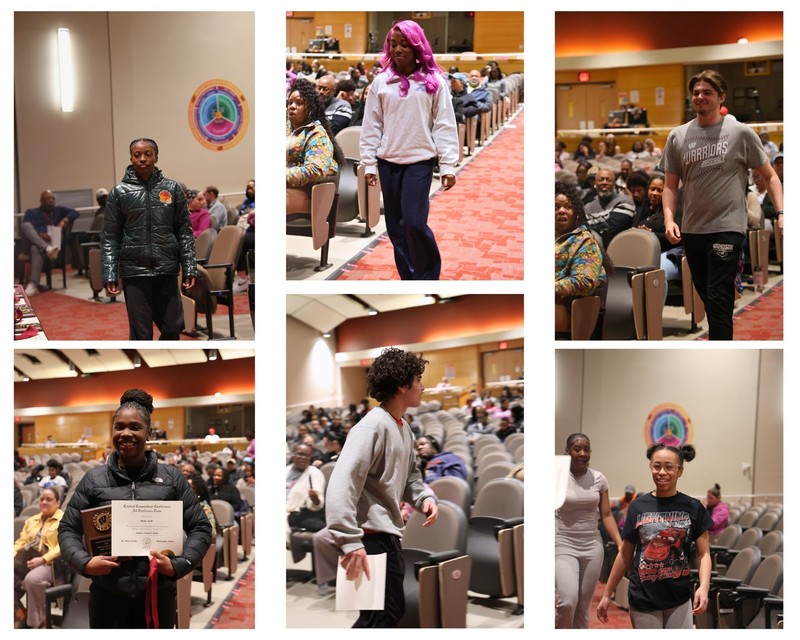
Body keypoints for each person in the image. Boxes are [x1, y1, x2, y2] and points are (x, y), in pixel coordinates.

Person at [57, 389, 212, 628]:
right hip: (107, 598)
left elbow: (201, 527)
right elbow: (67, 528)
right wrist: (85, 563)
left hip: (156, 596)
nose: (125, 433)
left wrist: (178, 565)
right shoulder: (94, 479)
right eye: (119, 427)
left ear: (148, 433)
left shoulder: (171, 478)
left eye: (135, 427)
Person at [663, 70, 783, 340]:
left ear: (721, 97)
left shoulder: (740, 133)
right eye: (696, 92)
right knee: (711, 297)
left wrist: (783, 213)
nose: (700, 97)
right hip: (693, 229)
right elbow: (670, 186)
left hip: (727, 227)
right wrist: (670, 219)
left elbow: (771, 177)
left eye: (707, 92)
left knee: (717, 299)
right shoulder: (678, 136)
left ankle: (720, 352)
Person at [326, 347, 438, 627]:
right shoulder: (370, 428)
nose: (422, 386)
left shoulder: (404, 427)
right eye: (418, 379)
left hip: (387, 535)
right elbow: (342, 484)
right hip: (369, 538)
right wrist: (350, 542)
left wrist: (422, 496)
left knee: (378, 615)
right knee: (383, 615)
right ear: (402, 385)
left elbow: (411, 476)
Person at [360, 20, 459, 280]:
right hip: (388, 162)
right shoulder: (381, 82)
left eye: (405, 44)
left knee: (414, 222)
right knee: (395, 228)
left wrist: (448, 164)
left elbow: (445, 124)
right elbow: (371, 126)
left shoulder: (434, 81)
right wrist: (369, 163)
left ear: (417, 47)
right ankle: (408, 277)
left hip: (420, 161)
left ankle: (428, 275)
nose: (398, 49)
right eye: (393, 44)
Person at [597, 444, 713, 629]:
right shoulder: (637, 506)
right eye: (657, 466)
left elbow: (704, 554)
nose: (662, 472)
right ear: (650, 467)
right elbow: (625, 555)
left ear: (680, 471)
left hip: (679, 598)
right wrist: (606, 593)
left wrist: (704, 587)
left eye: (669, 467)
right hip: (643, 598)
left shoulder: (694, 507)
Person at [101, 138, 197, 340]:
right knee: (142, 334)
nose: (142, 159)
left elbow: (184, 232)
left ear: (156, 157)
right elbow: (110, 237)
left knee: (173, 327)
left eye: (148, 154)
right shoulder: (119, 193)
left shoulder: (172, 189)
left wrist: (189, 267)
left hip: (166, 268)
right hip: (134, 271)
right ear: (131, 158)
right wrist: (110, 273)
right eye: (137, 155)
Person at [555, 433, 623, 628]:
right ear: (568, 452)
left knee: (583, 606)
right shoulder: (557, 478)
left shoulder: (599, 479)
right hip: (564, 542)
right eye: (577, 449)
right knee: (567, 602)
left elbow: (607, 515)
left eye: (586, 449)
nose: (582, 453)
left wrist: (619, 543)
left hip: (592, 545)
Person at [555, 181, 607, 334]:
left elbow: (585, 281)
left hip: (567, 307)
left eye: (568, 207)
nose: (561, 211)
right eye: (556, 207)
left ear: (576, 212)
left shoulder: (584, 241)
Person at [286, 78, 344, 215]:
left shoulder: (317, 134)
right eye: (290, 103)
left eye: (299, 103)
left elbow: (315, 169)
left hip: (305, 193)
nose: (292, 106)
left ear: (310, 108)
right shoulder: (284, 129)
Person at [14, 487, 64, 628]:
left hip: (52, 563)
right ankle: (19, 613)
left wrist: (43, 559)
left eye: (49, 499)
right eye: (42, 499)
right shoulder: (32, 520)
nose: (44, 502)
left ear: (58, 503)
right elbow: (21, 542)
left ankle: (40, 623)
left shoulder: (63, 520)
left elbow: (62, 546)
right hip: (29, 558)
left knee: (32, 579)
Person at [19, 190, 79, 296]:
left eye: (52, 198)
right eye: (48, 198)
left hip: (47, 247)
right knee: (26, 225)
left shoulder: (59, 210)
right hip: (30, 245)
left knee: (36, 249)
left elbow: (75, 213)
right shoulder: (32, 212)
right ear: (41, 201)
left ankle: (33, 284)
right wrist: (39, 235)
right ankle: (46, 248)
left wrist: (65, 220)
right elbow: (28, 231)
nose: (51, 200)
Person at [584, 168, 635, 246]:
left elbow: (610, 227)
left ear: (614, 184)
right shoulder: (587, 207)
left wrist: (589, 227)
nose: (604, 183)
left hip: (619, 248)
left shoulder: (625, 201)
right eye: (601, 180)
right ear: (595, 183)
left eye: (608, 180)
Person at [286, 443, 326, 533]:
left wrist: (315, 498)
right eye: (300, 454)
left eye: (307, 455)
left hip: (295, 514)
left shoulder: (314, 474)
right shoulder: (285, 470)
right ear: (293, 454)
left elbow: (317, 504)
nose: (303, 457)